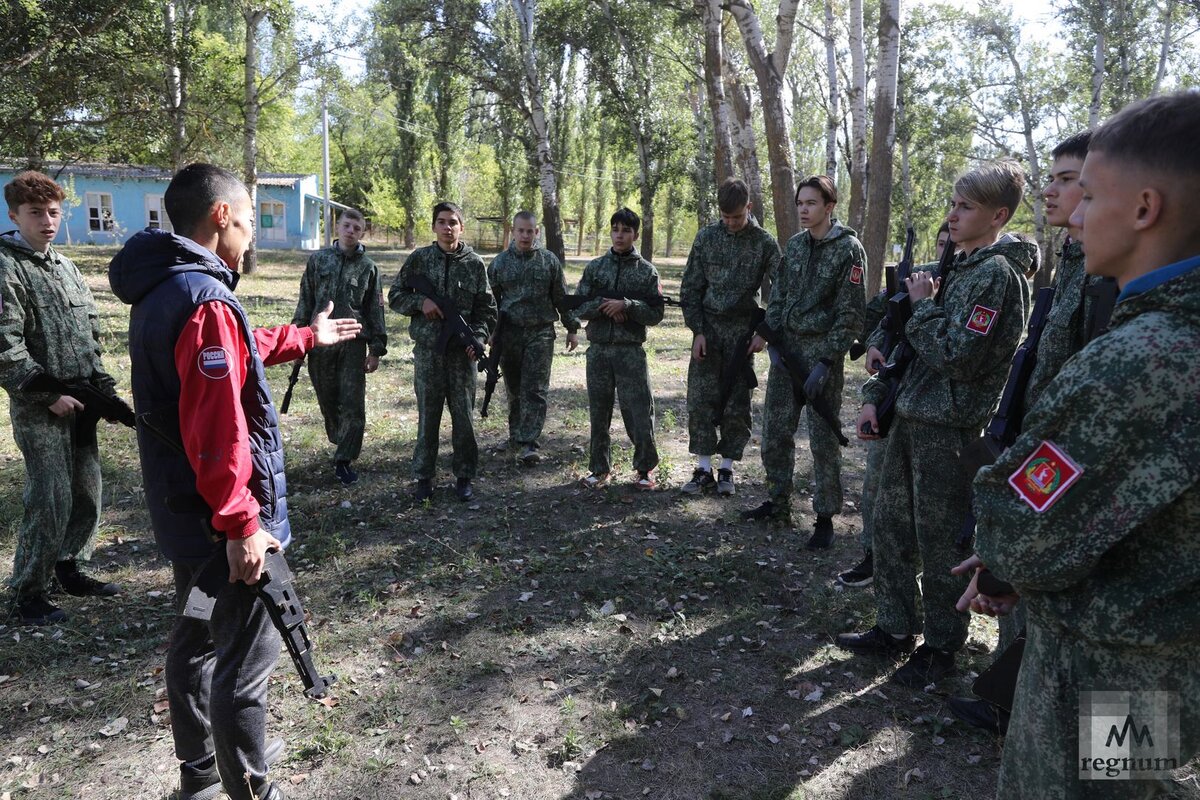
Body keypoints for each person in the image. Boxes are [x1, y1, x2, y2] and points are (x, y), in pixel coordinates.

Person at [966, 91, 1200, 800]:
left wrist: (1001, 551)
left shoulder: (1144, 361)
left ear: (1143, 209)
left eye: (1090, 194)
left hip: (1112, 673)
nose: (1074, 212)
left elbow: (1020, 528)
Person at [108, 163, 362, 800]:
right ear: (220, 216)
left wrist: (308, 335)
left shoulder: (167, 288)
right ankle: (251, 789)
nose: (250, 237)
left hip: (185, 516)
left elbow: (236, 350)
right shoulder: (205, 300)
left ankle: (201, 772)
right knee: (244, 668)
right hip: (223, 528)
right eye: (248, 221)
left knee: (194, 639)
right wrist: (244, 523)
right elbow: (216, 428)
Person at [837, 160, 1033, 688]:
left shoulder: (998, 276)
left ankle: (942, 645)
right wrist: (876, 396)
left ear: (997, 215)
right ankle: (894, 627)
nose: (952, 214)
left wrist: (923, 308)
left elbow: (958, 355)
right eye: (953, 203)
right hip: (911, 417)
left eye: (965, 206)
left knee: (941, 542)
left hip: (951, 430)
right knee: (892, 527)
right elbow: (907, 349)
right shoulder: (954, 266)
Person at [948, 131, 1106, 734]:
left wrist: (1015, 535)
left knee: (1121, 762)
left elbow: (1093, 440)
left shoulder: (1157, 336)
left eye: (1079, 184)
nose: (1057, 192)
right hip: (1067, 518)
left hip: (1138, 631)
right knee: (1071, 755)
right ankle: (1012, 708)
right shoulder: (1077, 270)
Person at [0, 171, 124, 626]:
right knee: (49, 497)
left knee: (86, 493)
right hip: (40, 406)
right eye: (36, 213)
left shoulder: (66, 267)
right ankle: (27, 591)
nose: (47, 221)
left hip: (82, 402)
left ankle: (68, 568)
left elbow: (88, 338)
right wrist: (47, 394)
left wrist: (105, 394)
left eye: (54, 212)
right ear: (15, 215)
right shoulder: (5, 265)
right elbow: (4, 344)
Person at [741, 175, 866, 549]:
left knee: (822, 441)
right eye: (799, 203)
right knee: (775, 432)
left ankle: (825, 516)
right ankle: (778, 501)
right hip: (786, 353)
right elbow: (778, 297)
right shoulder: (794, 247)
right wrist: (768, 335)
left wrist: (827, 362)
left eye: (811, 203)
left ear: (829, 207)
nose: (803, 210)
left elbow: (851, 314)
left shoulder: (849, 250)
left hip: (820, 355)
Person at [837, 222, 951, 588]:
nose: (945, 250)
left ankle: (905, 568)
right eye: (942, 243)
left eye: (951, 244)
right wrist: (873, 344)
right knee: (875, 484)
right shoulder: (919, 280)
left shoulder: (960, 290)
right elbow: (881, 314)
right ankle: (872, 556)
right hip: (892, 390)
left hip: (933, 406)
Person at [678, 177, 780, 497]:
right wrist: (697, 331)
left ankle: (727, 470)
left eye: (737, 216)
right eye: (726, 217)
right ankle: (703, 468)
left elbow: (783, 290)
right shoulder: (706, 238)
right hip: (708, 331)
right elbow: (690, 288)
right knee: (700, 400)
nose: (732, 222)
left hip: (741, 335)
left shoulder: (764, 243)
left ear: (748, 208)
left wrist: (765, 332)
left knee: (737, 404)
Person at [388, 201, 496, 502]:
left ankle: (464, 476)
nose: (448, 227)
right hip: (428, 354)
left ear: (461, 226)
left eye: (453, 222)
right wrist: (420, 303)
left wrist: (478, 337)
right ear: (434, 226)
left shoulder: (474, 264)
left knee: (464, 419)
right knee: (428, 417)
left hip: (462, 357)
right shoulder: (419, 260)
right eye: (442, 222)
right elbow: (395, 295)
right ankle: (424, 476)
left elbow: (487, 309)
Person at [292, 207, 387, 485]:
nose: (350, 232)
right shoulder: (318, 261)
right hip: (319, 341)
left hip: (352, 343)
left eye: (356, 228)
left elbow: (375, 310)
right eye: (347, 226)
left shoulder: (369, 267)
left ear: (362, 233)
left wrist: (376, 349)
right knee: (328, 398)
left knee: (353, 403)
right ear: (338, 227)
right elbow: (305, 300)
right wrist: (298, 339)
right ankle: (338, 437)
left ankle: (344, 458)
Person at [576, 207, 664, 490]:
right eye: (615, 229)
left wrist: (628, 306)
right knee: (598, 413)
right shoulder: (595, 268)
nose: (619, 235)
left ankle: (644, 469)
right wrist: (606, 306)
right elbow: (579, 304)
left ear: (635, 234)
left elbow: (656, 314)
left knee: (639, 411)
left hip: (629, 352)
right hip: (599, 350)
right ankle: (599, 468)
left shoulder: (647, 272)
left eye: (626, 230)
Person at [486, 210, 579, 464]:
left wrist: (571, 327)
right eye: (521, 231)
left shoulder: (549, 262)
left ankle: (530, 442)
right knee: (514, 388)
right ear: (513, 232)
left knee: (535, 389)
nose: (525, 235)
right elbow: (490, 303)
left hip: (540, 333)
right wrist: (491, 333)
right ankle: (516, 434)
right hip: (509, 333)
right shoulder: (499, 264)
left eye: (530, 231)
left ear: (537, 232)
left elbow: (561, 297)